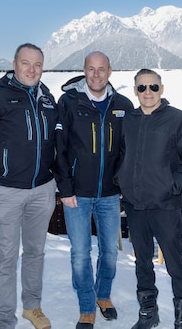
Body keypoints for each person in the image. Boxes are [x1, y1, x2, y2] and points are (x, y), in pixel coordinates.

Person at [0, 43, 58, 329]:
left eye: (38, 65)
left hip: (42, 189)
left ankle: (32, 306)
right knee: (5, 260)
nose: (32, 70)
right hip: (5, 192)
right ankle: (4, 320)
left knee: (35, 253)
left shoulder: (48, 98)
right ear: (15, 63)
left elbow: (56, 143)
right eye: (26, 63)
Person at [55, 51, 134, 328]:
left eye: (102, 69)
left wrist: (123, 183)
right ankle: (87, 305)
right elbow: (59, 148)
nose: (96, 74)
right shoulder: (68, 102)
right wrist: (65, 188)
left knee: (110, 252)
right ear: (84, 71)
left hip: (110, 194)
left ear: (110, 71)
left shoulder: (122, 104)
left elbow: (128, 150)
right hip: (76, 193)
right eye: (91, 69)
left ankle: (103, 295)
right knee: (80, 254)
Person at [116, 69, 182, 329]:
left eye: (152, 87)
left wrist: (174, 186)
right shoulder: (128, 120)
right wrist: (121, 180)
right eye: (141, 88)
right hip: (135, 206)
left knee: (175, 263)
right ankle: (148, 312)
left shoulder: (178, 119)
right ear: (135, 90)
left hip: (166, 205)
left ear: (161, 88)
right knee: (142, 262)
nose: (147, 92)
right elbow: (122, 154)